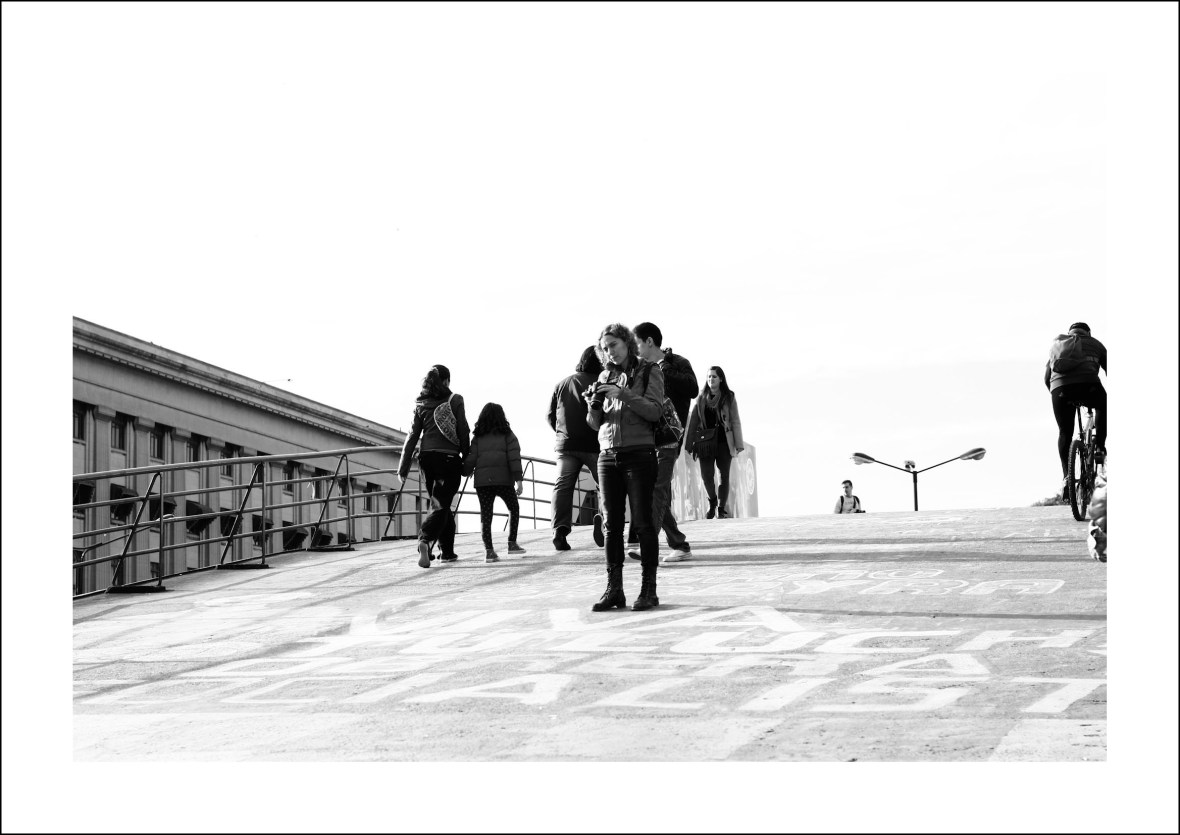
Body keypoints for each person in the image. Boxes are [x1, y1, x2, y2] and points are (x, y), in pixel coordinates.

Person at [585, 322, 665, 612]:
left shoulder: (649, 370)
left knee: (642, 523)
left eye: (614, 345)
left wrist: (622, 394)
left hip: (639, 453)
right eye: (605, 348)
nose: (610, 352)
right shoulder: (605, 375)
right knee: (612, 526)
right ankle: (614, 590)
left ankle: (648, 590)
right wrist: (593, 405)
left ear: (627, 343)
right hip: (608, 455)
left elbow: (654, 411)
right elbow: (593, 424)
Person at [628, 322, 697, 563]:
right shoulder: (639, 369)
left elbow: (693, 389)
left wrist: (664, 369)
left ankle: (649, 545)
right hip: (646, 438)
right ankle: (679, 544)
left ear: (649, 341)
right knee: (656, 490)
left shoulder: (677, 362)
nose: (634, 349)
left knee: (657, 488)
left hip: (669, 437)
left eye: (636, 343)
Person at [397, 364, 470, 568]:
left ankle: (447, 552)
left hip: (426, 460)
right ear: (446, 381)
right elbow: (463, 430)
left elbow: (412, 436)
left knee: (441, 504)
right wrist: (467, 458)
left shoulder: (421, 404)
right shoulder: (455, 400)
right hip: (448, 459)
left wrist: (403, 467)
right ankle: (426, 540)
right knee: (441, 504)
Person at [547, 345, 604, 551]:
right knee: (606, 485)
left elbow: (550, 416)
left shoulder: (562, 383)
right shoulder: (601, 383)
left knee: (563, 486)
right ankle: (606, 522)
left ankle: (559, 530)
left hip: (566, 444)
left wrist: (562, 432)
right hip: (595, 444)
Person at [1045, 322, 1107, 498]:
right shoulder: (1096, 344)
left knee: (1065, 432)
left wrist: (1059, 395)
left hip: (1059, 390)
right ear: (1088, 333)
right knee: (1103, 405)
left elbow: (1046, 378)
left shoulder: (1058, 346)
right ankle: (1099, 448)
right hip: (1089, 386)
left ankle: (1066, 477)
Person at [463, 403, 526, 562]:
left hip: (483, 482)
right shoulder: (507, 434)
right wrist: (519, 480)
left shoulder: (478, 437)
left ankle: (489, 552)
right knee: (513, 508)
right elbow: (514, 458)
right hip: (503, 480)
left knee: (486, 515)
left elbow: (471, 458)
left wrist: (466, 471)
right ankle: (512, 543)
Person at [684, 365, 744, 519]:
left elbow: (735, 420)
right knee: (706, 476)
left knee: (724, 476)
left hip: (724, 442)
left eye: (714, 376)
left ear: (721, 379)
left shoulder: (729, 397)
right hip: (705, 444)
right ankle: (712, 501)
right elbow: (693, 422)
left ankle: (721, 508)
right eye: (709, 376)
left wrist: (738, 444)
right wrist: (689, 444)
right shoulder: (701, 398)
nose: (711, 379)